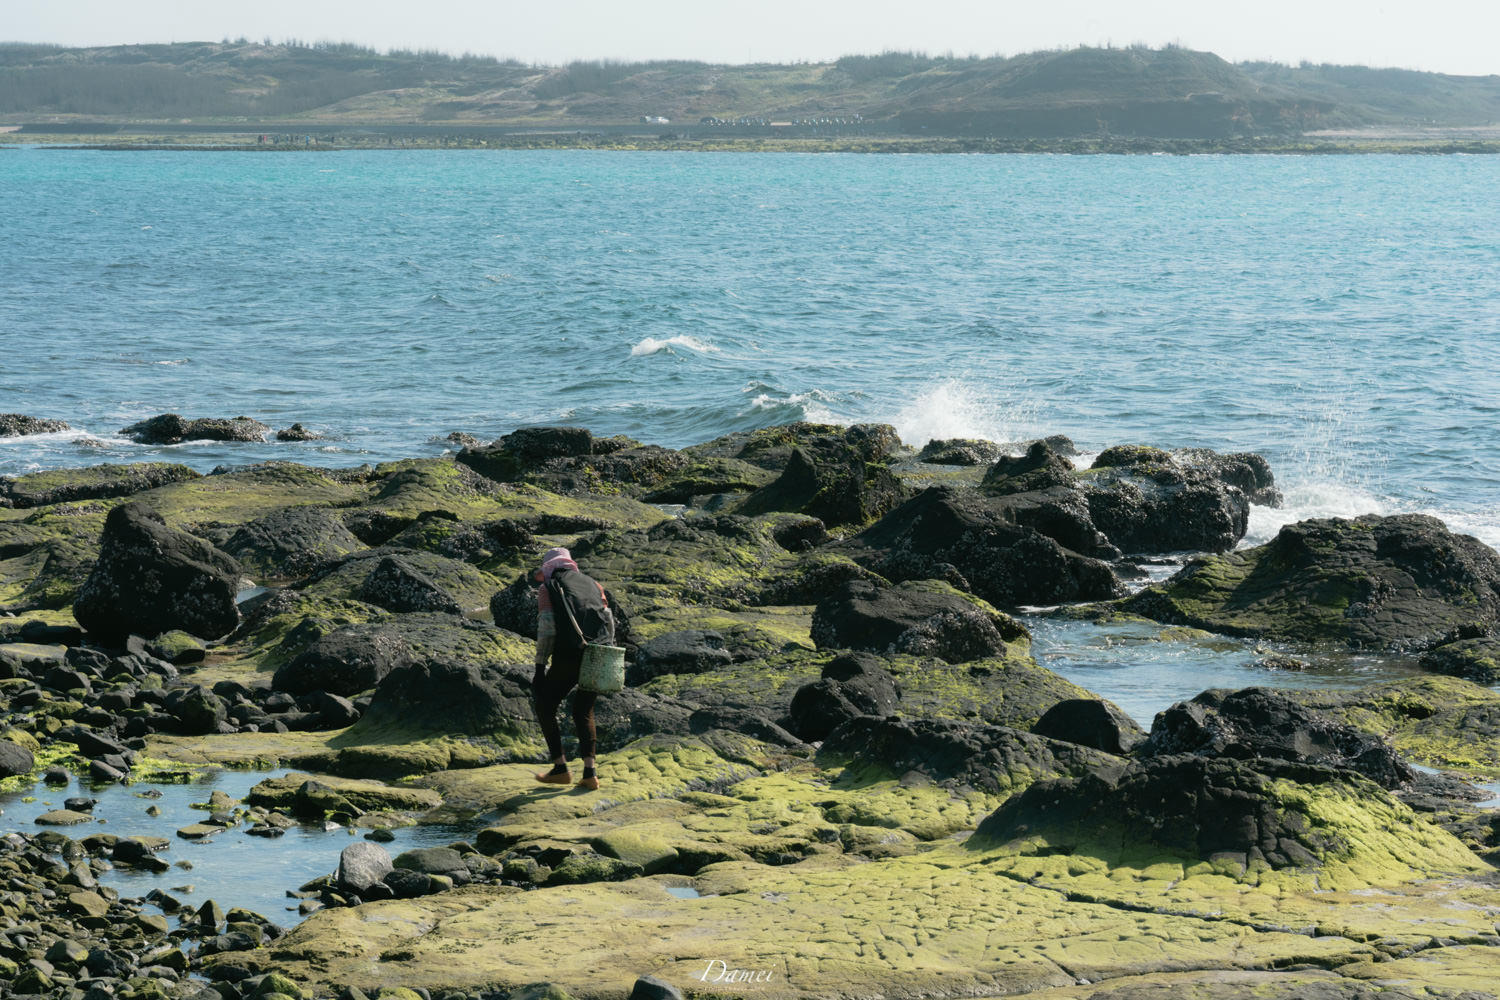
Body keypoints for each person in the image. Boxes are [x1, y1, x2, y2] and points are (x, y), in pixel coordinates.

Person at [531, 547, 614, 790]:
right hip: (599, 654)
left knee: (545, 705)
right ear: (570, 564)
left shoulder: (548, 588)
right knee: (583, 711)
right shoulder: (594, 584)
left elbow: (547, 629)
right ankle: (590, 773)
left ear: (549, 568)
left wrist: (539, 667)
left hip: (569, 654)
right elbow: (608, 621)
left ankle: (560, 768)